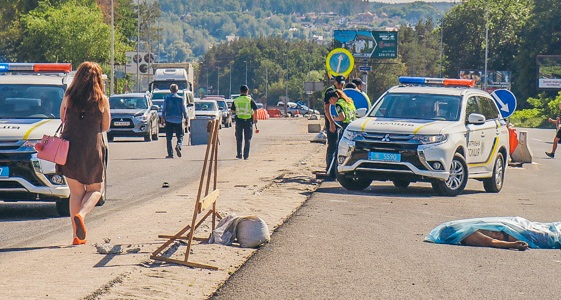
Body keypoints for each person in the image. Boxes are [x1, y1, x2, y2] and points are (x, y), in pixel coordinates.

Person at [58, 61, 111, 245]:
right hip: (92, 149)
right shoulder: (102, 99)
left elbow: (62, 118)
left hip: (69, 150)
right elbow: (105, 126)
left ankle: (76, 236)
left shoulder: (69, 97)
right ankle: (82, 214)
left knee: (76, 192)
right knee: (96, 189)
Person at [424, 216, 561, 250]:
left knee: (551, 235)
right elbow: (491, 241)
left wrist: (510, 244)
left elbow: (491, 241)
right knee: (551, 235)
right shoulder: (466, 231)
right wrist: (513, 244)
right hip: (512, 230)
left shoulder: (465, 232)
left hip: (511, 230)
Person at [323, 75, 346, 178]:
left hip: (341, 122)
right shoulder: (330, 92)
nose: (341, 86)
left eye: (342, 84)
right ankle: (330, 169)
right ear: (335, 83)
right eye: (339, 84)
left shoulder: (343, 91)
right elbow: (327, 109)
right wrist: (331, 123)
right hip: (332, 121)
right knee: (332, 145)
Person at [231, 85, 258, 160]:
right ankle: (246, 155)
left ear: (240, 91)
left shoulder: (236, 100)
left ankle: (239, 154)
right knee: (248, 139)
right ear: (247, 91)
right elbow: (255, 109)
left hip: (239, 121)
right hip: (248, 121)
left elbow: (232, 110)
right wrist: (255, 118)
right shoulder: (250, 100)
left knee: (239, 138)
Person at [161, 84, 187, 158]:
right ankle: (178, 145)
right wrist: (186, 118)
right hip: (178, 120)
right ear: (177, 90)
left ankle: (170, 154)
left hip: (169, 120)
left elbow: (164, 109)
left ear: (170, 90)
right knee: (180, 135)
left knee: (169, 138)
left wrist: (163, 118)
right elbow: (184, 109)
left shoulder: (167, 98)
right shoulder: (181, 99)